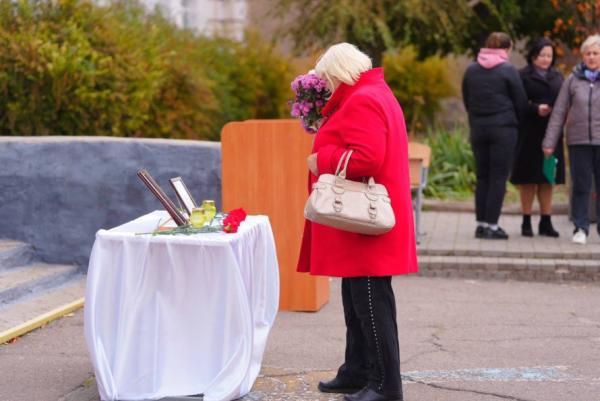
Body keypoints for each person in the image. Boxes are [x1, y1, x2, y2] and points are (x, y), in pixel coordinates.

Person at [296, 43, 418, 401]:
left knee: (369, 301)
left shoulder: (362, 98)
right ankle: (358, 370)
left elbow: (367, 158)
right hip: (363, 222)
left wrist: (323, 158)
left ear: (339, 72)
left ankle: (385, 385)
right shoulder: (372, 91)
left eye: (328, 79)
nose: (328, 87)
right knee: (358, 298)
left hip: (365, 225)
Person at [462, 32, 528, 240]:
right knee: (498, 177)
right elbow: (520, 102)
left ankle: (480, 225)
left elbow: (467, 100)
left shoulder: (471, 70)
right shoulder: (508, 70)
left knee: (482, 176)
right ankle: (492, 226)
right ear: (506, 49)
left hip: (478, 129)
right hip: (503, 129)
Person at [543, 34, 600, 245]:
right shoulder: (572, 80)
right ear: (583, 56)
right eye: (588, 53)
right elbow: (558, 112)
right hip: (578, 142)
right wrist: (549, 141)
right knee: (581, 186)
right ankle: (581, 228)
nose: (592, 57)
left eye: (596, 53)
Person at [511, 38, 565, 237]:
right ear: (534, 55)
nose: (545, 59)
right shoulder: (522, 75)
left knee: (547, 178)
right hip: (529, 132)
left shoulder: (558, 76)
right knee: (528, 179)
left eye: (549, 56)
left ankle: (546, 221)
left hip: (552, 131)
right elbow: (517, 103)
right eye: (542, 55)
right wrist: (535, 109)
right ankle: (526, 221)